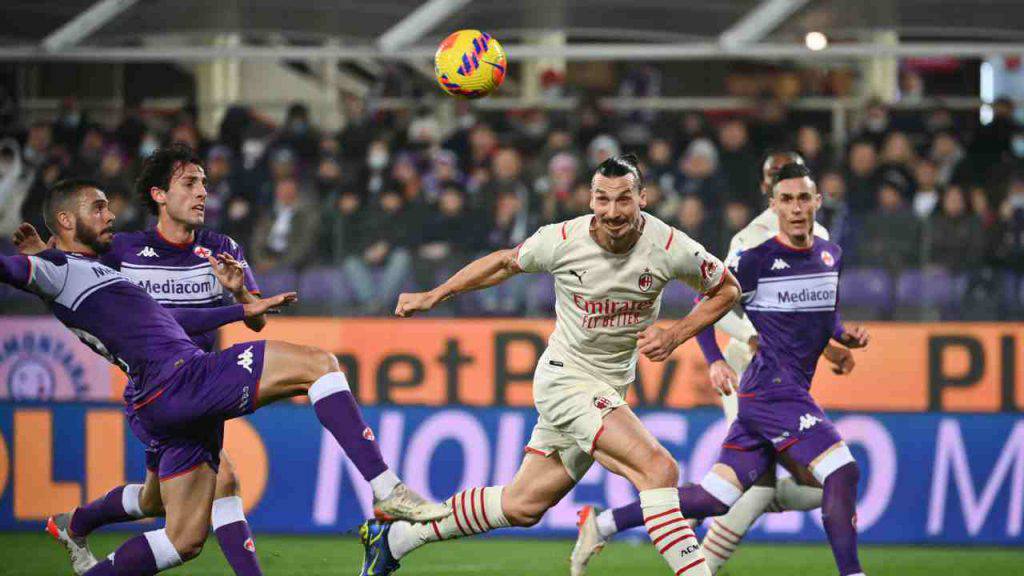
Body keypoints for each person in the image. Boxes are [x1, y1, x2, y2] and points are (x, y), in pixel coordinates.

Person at [6, 178, 446, 576]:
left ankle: (83, 538)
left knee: (181, 540)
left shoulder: (89, 269)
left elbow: (165, 317)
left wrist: (241, 307)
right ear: (65, 219)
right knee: (319, 365)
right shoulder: (57, 270)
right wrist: (35, 263)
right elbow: (16, 270)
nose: (110, 215)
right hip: (181, 378)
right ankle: (386, 489)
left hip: (161, 398)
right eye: (98, 207)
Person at [358, 155, 742, 576]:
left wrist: (676, 333)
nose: (612, 211)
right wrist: (435, 294)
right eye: (602, 199)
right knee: (659, 469)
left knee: (524, 505)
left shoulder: (670, 246)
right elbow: (504, 262)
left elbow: (726, 289)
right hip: (565, 378)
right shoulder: (562, 239)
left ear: (643, 200)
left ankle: (394, 538)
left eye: (623, 199)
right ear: (590, 199)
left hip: (608, 387)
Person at [572, 152, 860, 576]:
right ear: (771, 197)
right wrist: (716, 357)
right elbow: (713, 300)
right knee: (841, 472)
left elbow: (818, 309)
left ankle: (603, 522)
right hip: (765, 382)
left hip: (784, 384)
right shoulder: (754, 248)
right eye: (785, 196)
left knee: (716, 496)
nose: (795, 206)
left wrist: (838, 338)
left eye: (803, 197)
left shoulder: (827, 249)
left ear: (818, 199)